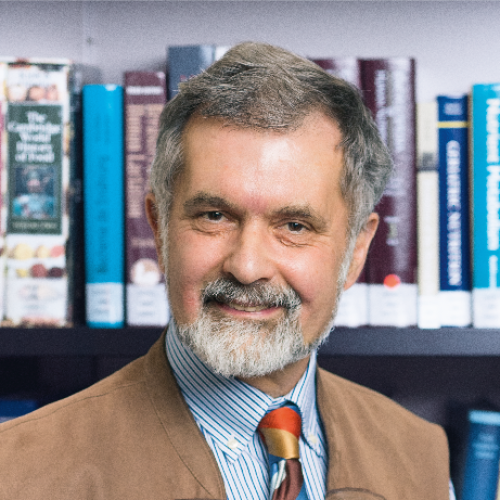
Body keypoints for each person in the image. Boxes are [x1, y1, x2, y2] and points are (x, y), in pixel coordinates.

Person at [0, 42, 452, 500]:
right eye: (214, 216)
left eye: (294, 226)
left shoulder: (422, 458)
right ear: (160, 231)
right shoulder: (18, 472)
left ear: (356, 252)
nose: (247, 267)